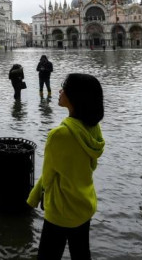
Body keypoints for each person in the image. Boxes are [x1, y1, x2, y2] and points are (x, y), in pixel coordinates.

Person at [27, 73, 105, 260]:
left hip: (61, 210)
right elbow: (92, 165)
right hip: (85, 204)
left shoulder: (59, 135)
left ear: (76, 97)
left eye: (64, 88)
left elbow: (48, 176)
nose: (60, 91)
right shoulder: (93, 128)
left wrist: (32, 199)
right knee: (81, 254)